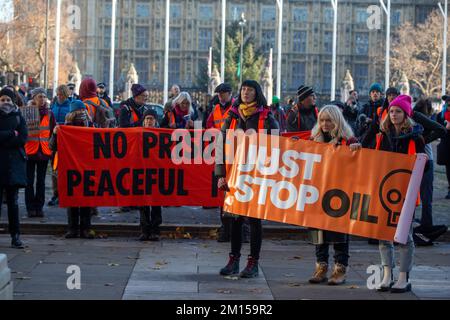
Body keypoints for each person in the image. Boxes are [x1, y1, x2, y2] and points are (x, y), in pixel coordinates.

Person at [362, 95, 425, 293]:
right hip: (385, 190)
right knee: (383, 235)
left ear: (406, 115)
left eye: (398, 111)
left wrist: (420, 160)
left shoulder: (416, 137)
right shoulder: (382, 135)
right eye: (391, 111)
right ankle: (387, 273)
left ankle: (404, 277)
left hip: (406, 191)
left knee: (404, 236)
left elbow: (426, 166)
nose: (394, 114)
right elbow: (368, 152)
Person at [216, 80, 279, 278]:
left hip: (256, 176)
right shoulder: (232, 116)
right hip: (234, 174)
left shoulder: (267, 118)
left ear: (257, 93)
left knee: (253, 220)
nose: (245, 92)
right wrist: (220, 174)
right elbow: (220, 144)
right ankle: (233, 260)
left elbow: (277, 147)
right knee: (234, 219)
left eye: (249, 89)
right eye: (243, 89)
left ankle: (253, 263)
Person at [308, 105, 361, 286]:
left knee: (339, 232)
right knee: (318, 232)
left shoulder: (348, 140)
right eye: (322, 120)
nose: (325, 124)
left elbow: (358, 164)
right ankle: (320, 267)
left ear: (337, 121)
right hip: (317, 192)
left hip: (339, 194)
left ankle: (340, 269)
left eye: (329, 120)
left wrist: (356, 149)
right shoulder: (313, 140)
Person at [50, 100, 95, 239]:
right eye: (78, 110)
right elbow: (52, 147)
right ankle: (73, 228)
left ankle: (86, 228)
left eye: (83, 110)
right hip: (70, 166)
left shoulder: (91, 126)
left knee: (86, 199)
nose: (81, 113)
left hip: (87, 166)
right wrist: (55, 133)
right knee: (72, 198)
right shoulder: (64, 127)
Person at [412, 99, 447, 246]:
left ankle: (423, 225)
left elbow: (440, 130)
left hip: (422, 160)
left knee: (416, 196)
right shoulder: (424, 120)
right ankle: (426, 224)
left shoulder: (418, 120)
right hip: (425, 160)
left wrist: (423, 140)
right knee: (426, 196)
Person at [0, 87, 28, 248]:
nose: (5, 102)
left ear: (13, 101)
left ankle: (15, 236)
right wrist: (11, 133)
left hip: (13, 165)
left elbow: (22, 138)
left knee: (13, 203)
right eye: (2, 99)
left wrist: (5, 136)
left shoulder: (19, 117)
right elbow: (16, 136)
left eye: (8, 100)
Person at [25, 88, 56, 218]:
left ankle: (39, 207)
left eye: (44, 96)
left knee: (41, 182)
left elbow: (53, 132)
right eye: (39, 96)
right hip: (30, 151)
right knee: (29, 181)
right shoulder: (26, 112)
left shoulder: (49, 114)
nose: (42, 99)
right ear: (34, 98)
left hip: (44, 152)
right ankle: (30, 208)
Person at [138, 109, 163, 241]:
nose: (149, 121)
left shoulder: (162, 135)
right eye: (147, 118)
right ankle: (144, 230)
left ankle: (155, 230)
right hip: (142, 173)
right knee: (142, 203)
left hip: (156, 173)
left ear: (155, 121)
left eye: (151, 119)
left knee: (156, 203)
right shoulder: (137, 134)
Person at [48, 85, 71, 207]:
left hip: (67, 142)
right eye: (58, 94)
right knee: (54, 168)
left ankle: (65, 193)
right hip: (55, 140)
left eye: (61, 94)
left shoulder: (71, 105)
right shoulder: (53, 105)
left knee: (66, 169)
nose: (59, 96)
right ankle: (56, 194)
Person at [437, 94, 450, 200]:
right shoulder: (440, 115)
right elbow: (437, 128)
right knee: (449, 170)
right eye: (448, 104)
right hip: (446, 146)